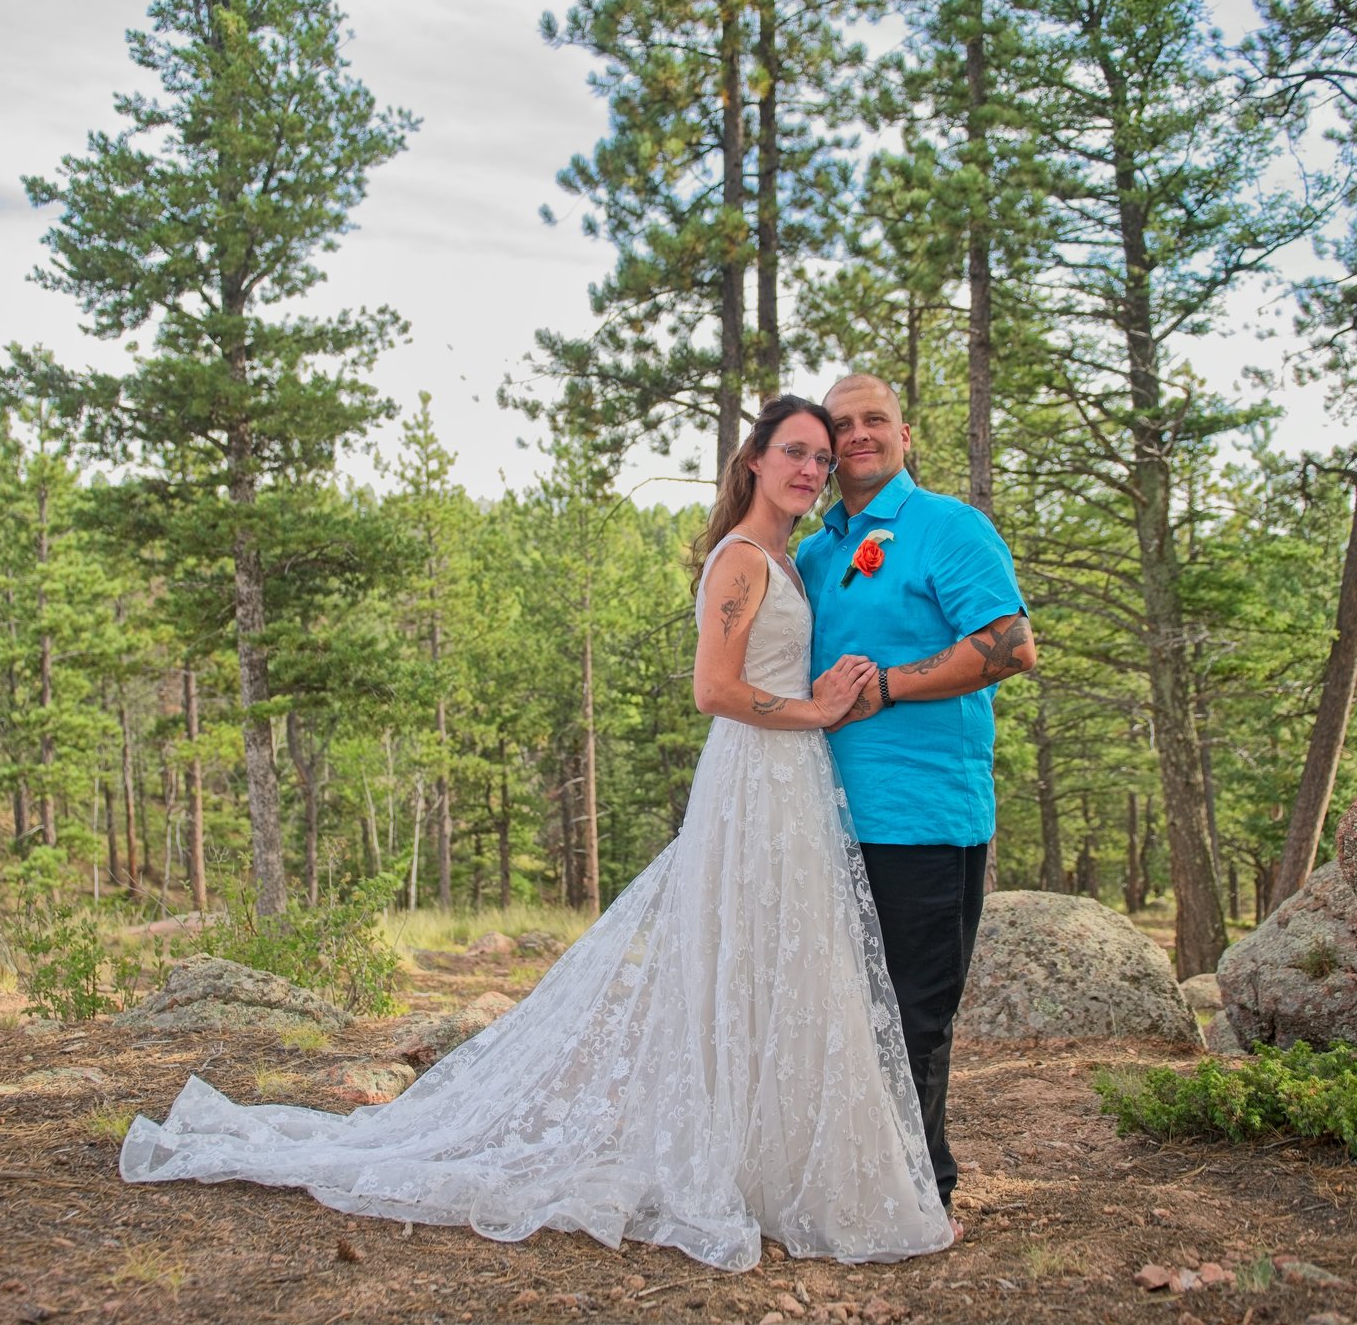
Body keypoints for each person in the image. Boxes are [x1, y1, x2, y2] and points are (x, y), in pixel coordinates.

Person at [120, 395, 955, 1271]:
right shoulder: (741, 559)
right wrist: (816, 707)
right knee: (743, 960)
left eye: (822, 459)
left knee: (778, 965)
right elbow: (712, 690)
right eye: (795, 452)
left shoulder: (788, 557)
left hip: (792, 781)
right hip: (757, 778)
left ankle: (768, 1165)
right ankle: (735, 1165)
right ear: (753, 460)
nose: (812, 470)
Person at [795, 373, 1035, 1224]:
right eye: (841, 424)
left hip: (921, 818)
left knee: (911, 1017)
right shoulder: (816, 551)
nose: (857, 435)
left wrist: (889, 687)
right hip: (819, 819)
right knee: (840, 1015)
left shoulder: (949, 528)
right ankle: (853, 1181)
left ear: (905, 435)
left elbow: (1009, 646)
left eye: (874, 420)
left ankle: (918, 1195)